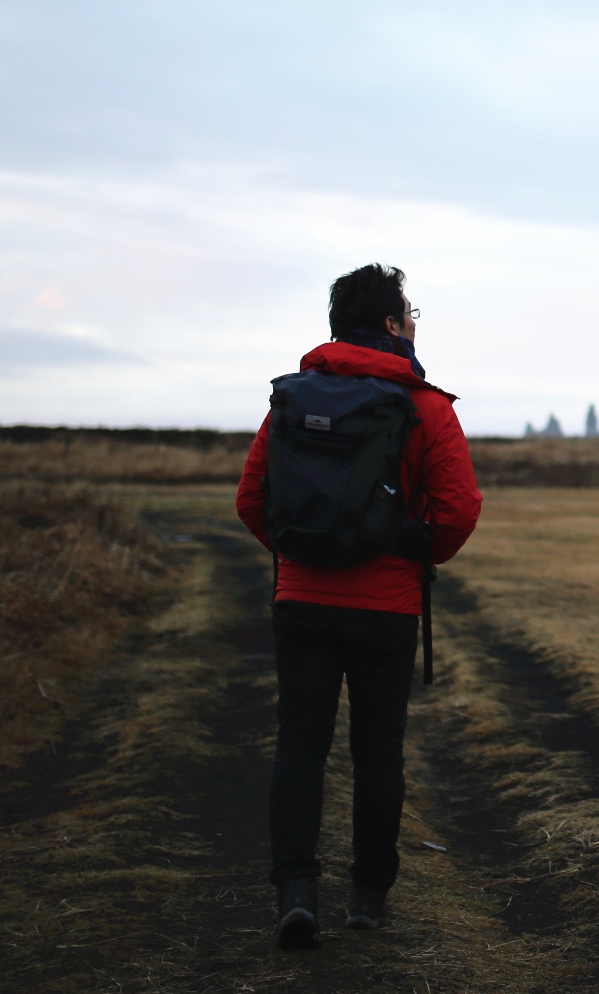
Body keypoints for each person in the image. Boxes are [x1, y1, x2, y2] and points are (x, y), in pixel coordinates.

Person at [235, 263, 481, 947]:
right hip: (388, 608)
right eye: (411, 313)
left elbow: (251, 499)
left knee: (299, 745)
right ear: (393, 325)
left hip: (302, 601)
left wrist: (297, 555)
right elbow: (460, 509)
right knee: (378, 753)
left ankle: (295, 890)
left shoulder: (290, 399)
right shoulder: (425, 406)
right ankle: (368, 896)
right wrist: (414, 550)